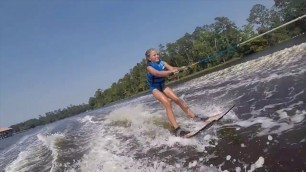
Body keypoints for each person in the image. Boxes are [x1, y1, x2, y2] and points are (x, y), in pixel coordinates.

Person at [145, 48, 200, 137]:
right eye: (154, 55)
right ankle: (177, 129)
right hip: (155, 88)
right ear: (149, 58)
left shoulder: (162, 63)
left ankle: (193, 117)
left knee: (177, 99)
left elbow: (172, 68)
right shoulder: (149, 67)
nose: (157, 56)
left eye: (157, 54)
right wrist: (170, 72)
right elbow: (157, 73)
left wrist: (182, 68)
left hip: (162, 85)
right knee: (167, 103)